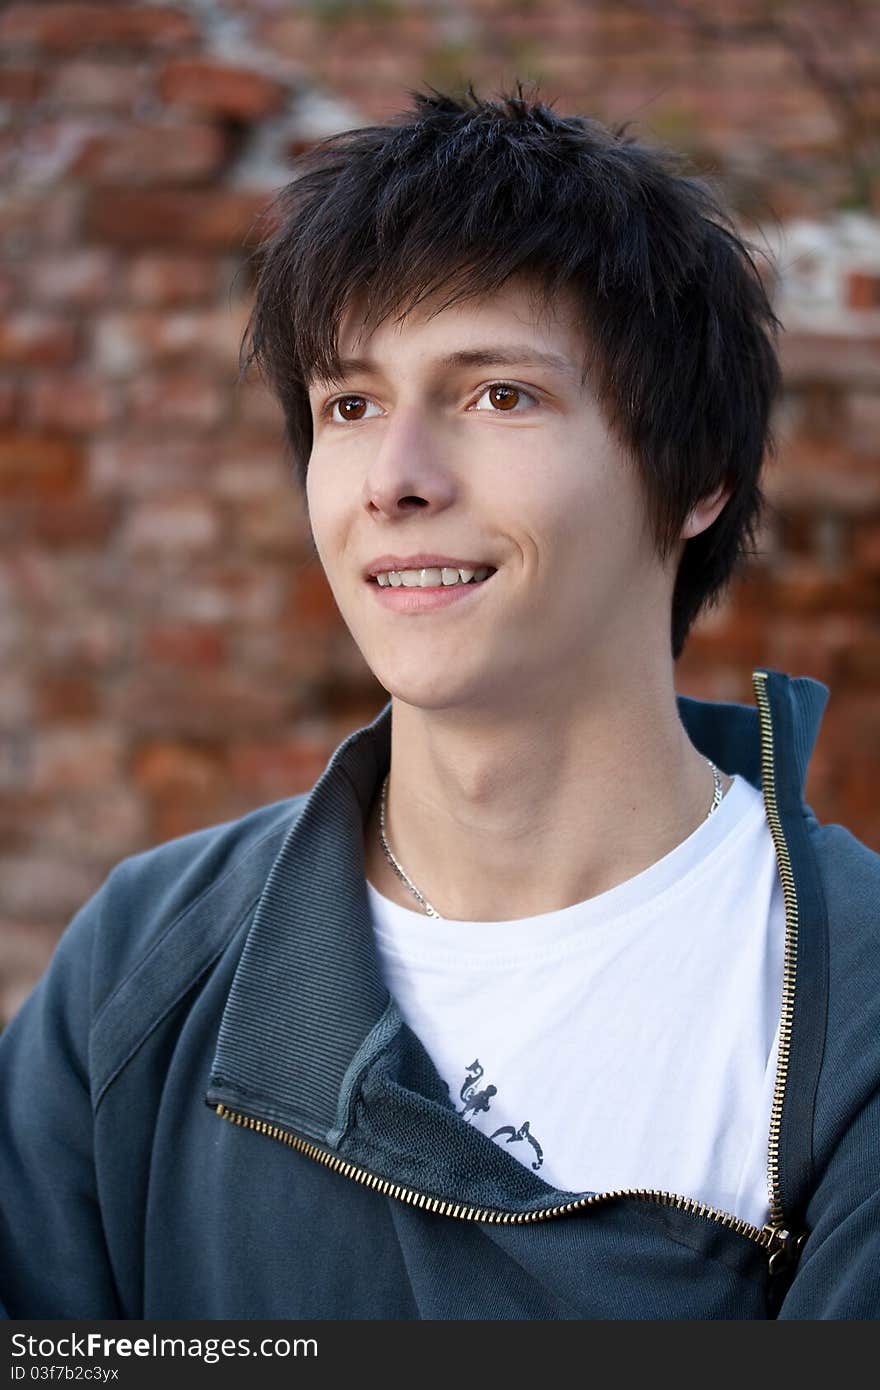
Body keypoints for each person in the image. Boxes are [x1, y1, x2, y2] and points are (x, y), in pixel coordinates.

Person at [1, 84, 878, 1322]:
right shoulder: (148, 959)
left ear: (696, 480)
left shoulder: (847, 1004)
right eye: (349, 406)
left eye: (496, 394)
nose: (394, 480)